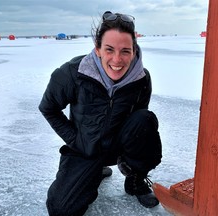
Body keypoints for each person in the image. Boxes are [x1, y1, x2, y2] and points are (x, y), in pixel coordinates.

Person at [39, 11, 162, 215]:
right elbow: (48, 108)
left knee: (145, 120)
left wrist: (135, 161)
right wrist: (76, 140)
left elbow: (139, 125)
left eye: (125, 51)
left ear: (134, 50)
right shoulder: (72, 73)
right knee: (61, 209)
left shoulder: (141, 78)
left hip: (117, 145)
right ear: (98, 49)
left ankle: (135, 179)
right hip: (85, 147)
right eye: (109, 49)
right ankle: (95, 171)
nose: (117, 59)